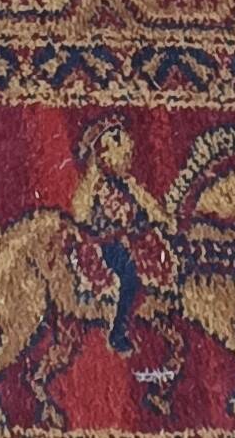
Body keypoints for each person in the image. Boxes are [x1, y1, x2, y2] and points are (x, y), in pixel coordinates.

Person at [69, 118, 170, 354]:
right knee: (130, 275)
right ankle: (118, 331)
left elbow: (151, 206)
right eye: (120, 152)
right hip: (106, 245)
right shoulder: (94, 187)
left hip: (136, 240)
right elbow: (83, 216)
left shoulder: (128, 183)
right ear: (102, 155)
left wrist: (163, 221)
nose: (126, 159)